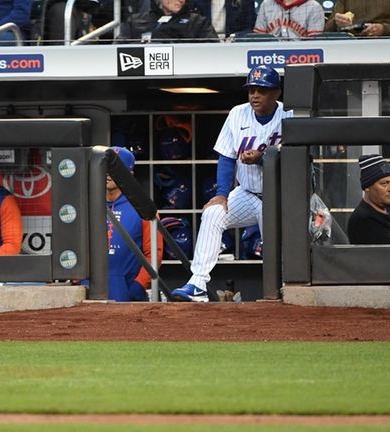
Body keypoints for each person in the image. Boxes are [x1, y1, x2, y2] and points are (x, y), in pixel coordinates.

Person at [171, 65, 292, 302]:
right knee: (213, 213)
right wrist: (222, 194)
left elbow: (297, 156)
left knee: (279, 250)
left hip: (279, 196)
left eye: (262, 90)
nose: (255, 95)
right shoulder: (238, 113)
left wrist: (264, 157)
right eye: (251, 90)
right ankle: (197, 284)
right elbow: (226, 156)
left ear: (276, 92)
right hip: (248, 193)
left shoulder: (290, 114)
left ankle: (286, 290)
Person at [104, 147, 163, 302]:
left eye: (114, 169)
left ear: (129, 175)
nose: (108, 173)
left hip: (126, 294)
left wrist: (140, 284)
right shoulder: (88, 205)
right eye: (104, 167)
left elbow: (154, 253)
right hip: (90, 290)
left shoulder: (143, 207)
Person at [119, 0, 219, 43]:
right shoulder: (134, 21)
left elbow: (212, 51)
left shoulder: (198, 22)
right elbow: (117, 51)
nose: (181, 0)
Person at [325, 0, 390, 37]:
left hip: (387, 43)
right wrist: (336, 22)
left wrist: (383, 29)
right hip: (352, 45)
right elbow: (327, 31)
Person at [253, 0, 324, 39]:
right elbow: (258, 38)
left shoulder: (314, 7)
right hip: (269, 56)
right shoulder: (266, 4)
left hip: (302, 56)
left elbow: (315, 43)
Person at [191, 0, 255, 38]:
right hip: (205, 44)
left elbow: (249, 28)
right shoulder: (196, 2)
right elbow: (192, 28)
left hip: (234, 45)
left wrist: (235, 36)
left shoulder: (244, 1)